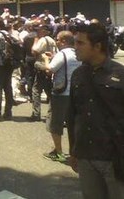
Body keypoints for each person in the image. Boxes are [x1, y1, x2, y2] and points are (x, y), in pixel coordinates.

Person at [67, 23, 124, 198]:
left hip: (115, 158)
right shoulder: (78, 74)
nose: (75, 48)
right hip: (86, 156)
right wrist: (73, 150)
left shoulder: (119, 74)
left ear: (97, 46)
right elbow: (72, 115)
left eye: (80, 43)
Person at [41, 30, 80, 163]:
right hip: (74, 93)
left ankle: (58, 152)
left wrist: (46, 59)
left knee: (55, 123)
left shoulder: (62, 54)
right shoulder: (77, 53)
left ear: (63, 41)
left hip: (61, 93)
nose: (56, 41)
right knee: (72, 123)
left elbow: (49, 69)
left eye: (57, 39)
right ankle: (75, 152)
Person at [29, 24, 57, 121]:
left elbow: (34, 51)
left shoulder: (42, 40)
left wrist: (35, 41)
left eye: (40, 30)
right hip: (50, 66)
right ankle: (53, 113)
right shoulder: (52, 40)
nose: (38, 32)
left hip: (41, 66)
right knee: (49, 91)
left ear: (45, 31)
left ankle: (36, 113)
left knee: (36, 90)